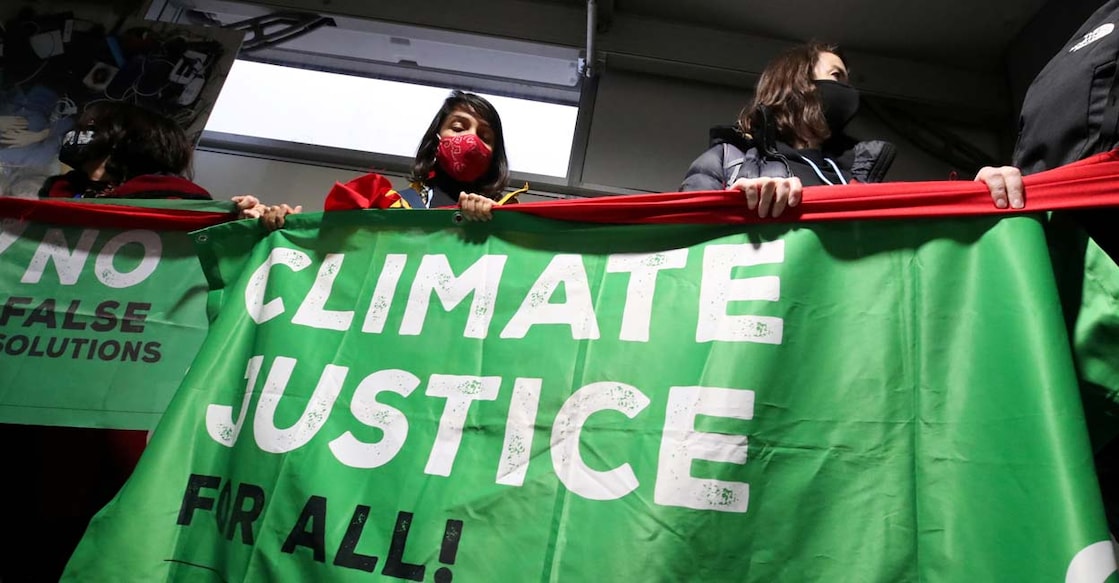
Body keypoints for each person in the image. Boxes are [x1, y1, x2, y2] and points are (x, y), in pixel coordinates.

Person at [679, 41, 896, 217]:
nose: (846, 90)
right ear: (798, 81)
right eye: (836, 76)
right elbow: (684, 232)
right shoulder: (729, 158)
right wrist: (735, 206)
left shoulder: (855, 171)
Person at [262, 90, 519, 229]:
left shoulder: (511, 219)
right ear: (437, 138)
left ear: (494, 155)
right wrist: (285, 226)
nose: (471, 140)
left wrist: (496, 223)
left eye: (485, 135)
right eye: (459, 127)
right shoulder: (386, 204)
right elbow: (330, 244)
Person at [37, 100, 264, 217]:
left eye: (93, 128)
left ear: (123, 141)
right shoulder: (61, 190)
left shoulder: (174, 201)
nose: (78, 134)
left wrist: (241, 219)